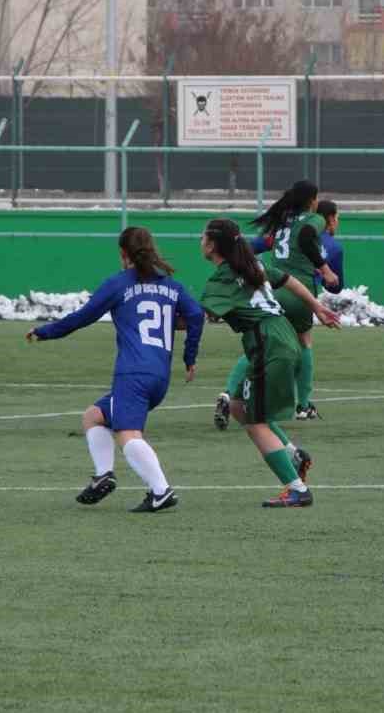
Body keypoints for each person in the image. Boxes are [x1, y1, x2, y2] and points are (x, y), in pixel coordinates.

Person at [26, 226, 204, 511]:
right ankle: (103, 476)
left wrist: (46, 332)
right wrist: (189, 356)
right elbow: (196, 315)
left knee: (127, 434)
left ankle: (161, 491)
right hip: (159, 376)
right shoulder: (172, 286)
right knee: (94, 416)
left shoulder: (119, 284)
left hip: (132, 373)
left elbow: (83, 317)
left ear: (123, 254)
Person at [200, 217, 340, 508]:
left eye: (203, 237)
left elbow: (197, 317)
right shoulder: (253, 265)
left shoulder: (223, 279)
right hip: (281, 334)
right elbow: (289, 280)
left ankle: (296, 489)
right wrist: (317, 307)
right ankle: (293, 455)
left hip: (268, 342)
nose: (200, 241)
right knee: (239, 406)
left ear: (213, 245)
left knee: (255, 422)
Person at [213, 179, 337, 429]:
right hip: (298, 290)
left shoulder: (282, 222)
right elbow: (305, 237)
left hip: (273, 289)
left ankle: (228, 393)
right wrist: (324, 269)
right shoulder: (314, 219)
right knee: (304, 343)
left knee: (262, 344)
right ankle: (303, 405)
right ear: (313, 200)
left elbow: (261, 245)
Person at [316, 199, 345, 293]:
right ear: (331, 219)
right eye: (337, 217)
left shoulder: (295, 237)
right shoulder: (334, 247)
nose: (337, 222)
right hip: (311, 298)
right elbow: (336, 288)